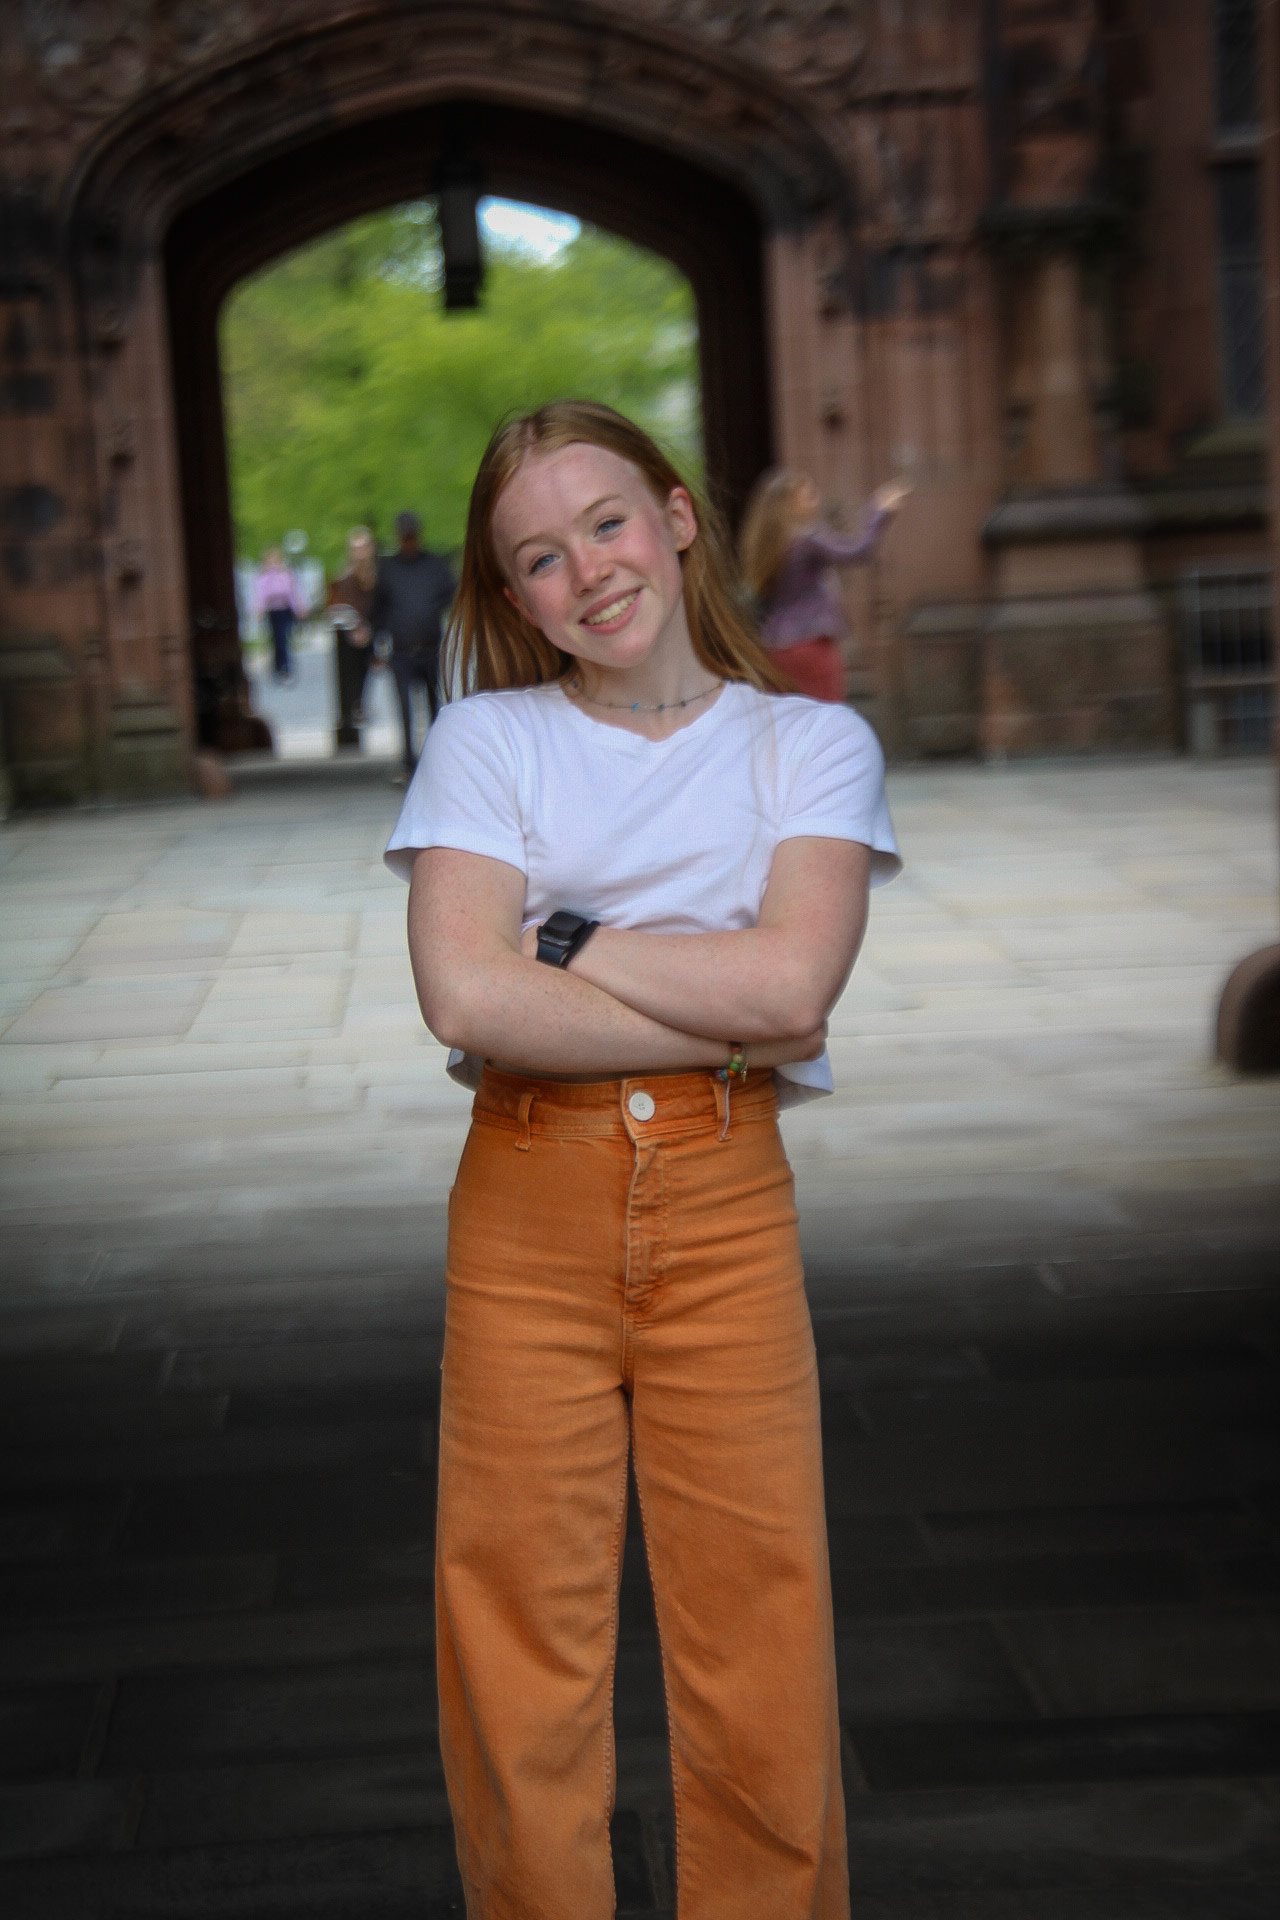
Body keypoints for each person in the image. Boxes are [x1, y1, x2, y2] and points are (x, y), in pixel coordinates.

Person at [385, 402, 901, 1919]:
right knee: (515, 1634)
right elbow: (462, 999)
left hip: (726, 1204)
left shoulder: (807, 743)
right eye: (540, 557)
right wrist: (714, 1000)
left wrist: (566, 937)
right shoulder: (488, 741)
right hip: (525, 1202)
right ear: (514, 594)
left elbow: (794, 987)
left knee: (760, 1627)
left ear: (675, 520)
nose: (587, 571)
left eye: (606, 522)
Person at [739, 469, 911, 702]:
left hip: (776, 648)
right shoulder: (805, 541)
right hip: (812, 645)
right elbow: (858, 551)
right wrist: (880, 510)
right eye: (808, 496)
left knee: (791, 716)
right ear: (790, 504)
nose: (816, 500)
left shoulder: (767, 547)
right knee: (827, 712)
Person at [371, 509, 456, 781]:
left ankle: (435, 757)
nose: (409, 541)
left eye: (412, 536)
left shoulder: (434, 566)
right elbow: (379, 608)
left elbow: (450, 594)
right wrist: (376, 644)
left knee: (434, 705)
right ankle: (408, 760)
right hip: (402, 651)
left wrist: (432, 609)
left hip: (430, 648)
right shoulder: (389, 569)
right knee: (405, 708)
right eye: (405, 537)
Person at [326, 525, 377, 748]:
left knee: (366, 673)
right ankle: (350, 717)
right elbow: (337, 607)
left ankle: (359, 706)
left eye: (364, 548)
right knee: (349, 678)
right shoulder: (343, 578)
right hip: (348, 637)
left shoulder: (377, 577)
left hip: (370, 633)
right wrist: (354, 627)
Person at [253, 545, 307, 685]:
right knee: (276, 640)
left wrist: (300, 608)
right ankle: (279, 667)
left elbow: (293, 594)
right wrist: (259, 610)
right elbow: (261, 596)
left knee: (284, 638)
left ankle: (285, 667)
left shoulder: (286, 575)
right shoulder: (263, 577)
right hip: (272, 612)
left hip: (285, 611)